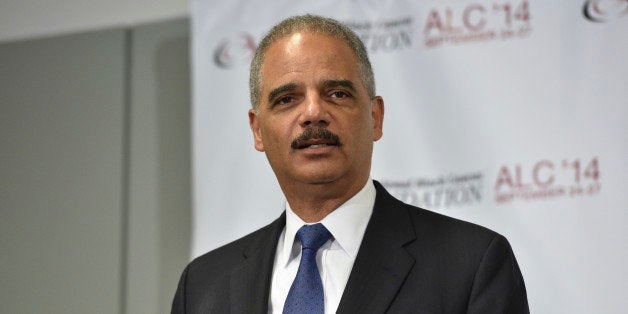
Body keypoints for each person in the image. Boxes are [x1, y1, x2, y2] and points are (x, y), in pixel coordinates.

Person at [172, 14, 529, 314]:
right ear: (257, 129)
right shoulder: (203, 288)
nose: (313, 113)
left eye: (337, 94)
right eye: (287, 99)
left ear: (375, 117)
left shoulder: (471, 264)